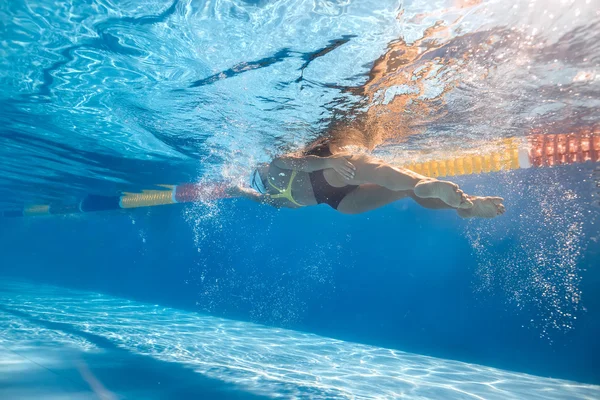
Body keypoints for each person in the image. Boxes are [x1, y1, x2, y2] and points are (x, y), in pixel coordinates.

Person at [230, 139, 505, 218]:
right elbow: (299, 163)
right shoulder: (276, 165)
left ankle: (464, 206)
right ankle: (422, 184)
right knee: (375, 169)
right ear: (263, 171)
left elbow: (253, 197)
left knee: (405, 192)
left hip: (341, 204)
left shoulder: (276, 201)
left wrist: (237, 190)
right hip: (330, 176)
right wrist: (330, 161)